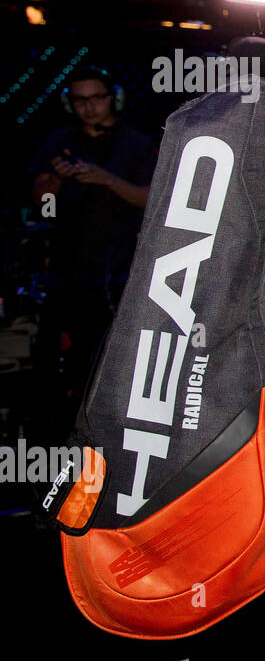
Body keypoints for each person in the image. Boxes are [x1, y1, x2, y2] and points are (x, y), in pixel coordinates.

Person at [27, 67, 155, 441]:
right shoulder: (57, 142)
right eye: (81, 100)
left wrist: (106, 179)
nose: (89, 107)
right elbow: (42, 206)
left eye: (96, 98)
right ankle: (59, 437)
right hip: (69, 271)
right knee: (63, 363)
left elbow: (152, 201)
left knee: (116, 364)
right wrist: (54, 181)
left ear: (112, 97)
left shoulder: (137, 143)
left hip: (122, 273)